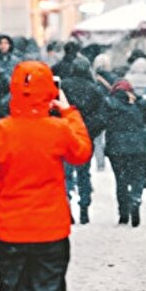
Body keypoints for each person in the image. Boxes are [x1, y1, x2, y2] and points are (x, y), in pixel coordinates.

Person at [0, 61, 92, 291]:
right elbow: (81, 152)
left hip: (7, 234)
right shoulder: (57, 130)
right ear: (48, 93)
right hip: (50, 234)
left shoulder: (2, 131)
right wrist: (68, 111)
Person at [101, 81, 146, 226]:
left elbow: (100, 122)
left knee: (121, 181)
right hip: (138, 147)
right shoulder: (140, 103)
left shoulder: (109, 104)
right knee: (137, 177)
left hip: (116, 149)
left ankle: (123, 214)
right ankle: (136, 198)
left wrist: (87, 133)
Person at [57, 58, 106, 224]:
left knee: (66, 174)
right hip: (85, 136)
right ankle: (84, 206)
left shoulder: (64, 87)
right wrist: (89, 131)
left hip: (65, 134)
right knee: (84, 173)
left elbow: (56, 109)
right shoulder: (95, 89)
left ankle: (67, 205)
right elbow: (101, 116)